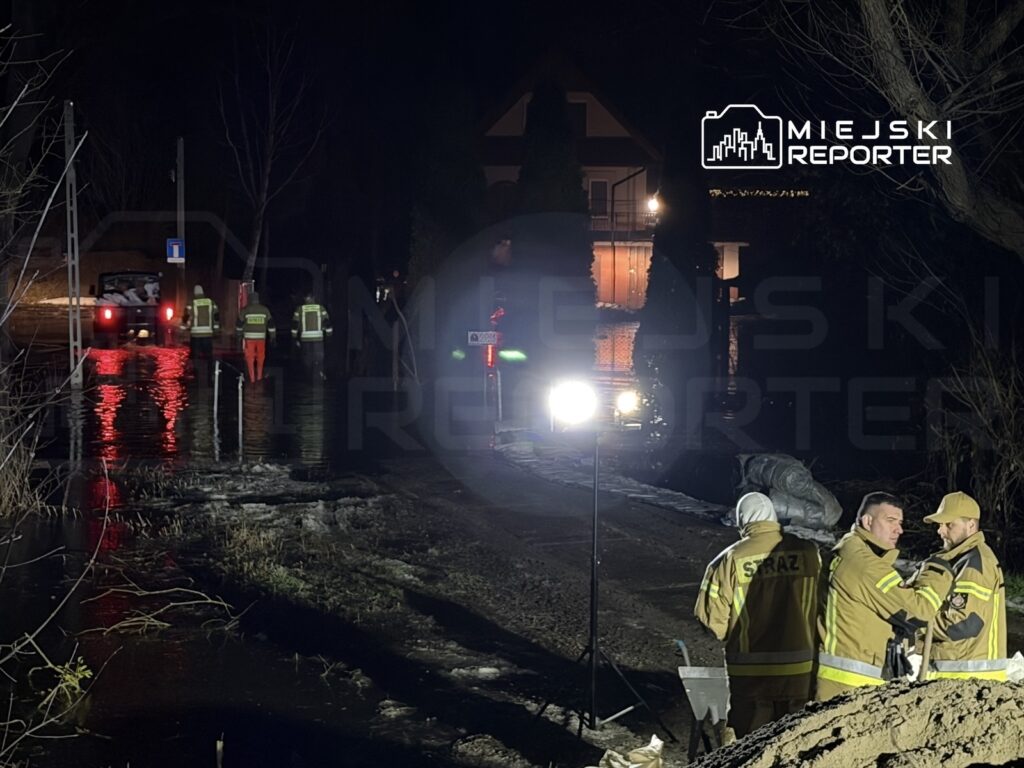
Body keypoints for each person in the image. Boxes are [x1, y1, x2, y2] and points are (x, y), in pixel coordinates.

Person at [694, 492, 821, 737]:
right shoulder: (808, 551)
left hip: (750, 675)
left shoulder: (729, 559)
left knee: (751, 746)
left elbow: (711, 619)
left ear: (743, 520)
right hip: (799, 671)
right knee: (795, 742)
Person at [816, 491, 955, 701]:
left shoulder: (853, 551)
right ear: (867, 521)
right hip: (851, 687)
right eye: (890, 520)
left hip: (846, 682)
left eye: (900, 523)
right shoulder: (865, 564)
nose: (898, 529)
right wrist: (937, 574)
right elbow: (919, 611)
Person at [921, 491, 1007, 681]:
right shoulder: (963, 559)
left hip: (967, 679)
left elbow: (964, 623)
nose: (940, 531)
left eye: (949, 525)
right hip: (959, 675)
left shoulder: (975, 563)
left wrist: (917, 622)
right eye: (940, 525)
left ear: (971, 525)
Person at [237, 290, 276, 383]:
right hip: (261, 338)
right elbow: (271, 325)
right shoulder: (265, 310)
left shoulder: (245, 310)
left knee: (249, 358)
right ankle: (259, 377)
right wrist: (273, 337)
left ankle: (252, 378)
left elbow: (239, 325)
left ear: (250, 299)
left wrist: (238, 336)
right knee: (260, 358)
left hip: (249, 338)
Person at [291, 293, 332, 378]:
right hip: (318, 338)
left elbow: (295, 324)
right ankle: (318, 373)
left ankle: (309, 376)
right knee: (319, 357)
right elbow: (327, 323)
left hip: (305, 339)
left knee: (307, 359)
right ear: (313, 298)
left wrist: (294, 337)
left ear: (305, 298)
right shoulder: (321, 308)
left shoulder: (300, 309)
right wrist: (329, 335)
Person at [180, 284, 220, 368]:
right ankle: (210, 371)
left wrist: (183, 328)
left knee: (195, 357)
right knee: (208, 356)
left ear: (195, 293)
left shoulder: (192, 303)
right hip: (208, 334)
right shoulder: (211, 303)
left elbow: (186, 316)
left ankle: (196, 372)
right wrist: (216, 329)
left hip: (195, 335)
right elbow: (216, 317)